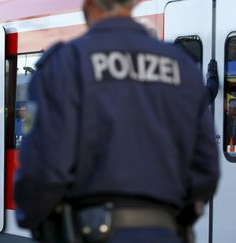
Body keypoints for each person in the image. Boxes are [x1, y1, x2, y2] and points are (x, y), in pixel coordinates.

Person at [14, 0, 220, 242]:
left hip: (87, 232)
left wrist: (34, 218)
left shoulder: (65, 63)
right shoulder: (183, 67)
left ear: (88, 4)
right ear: (136, 2)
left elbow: (43, 168)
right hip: (165, 232)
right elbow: (206, 169)